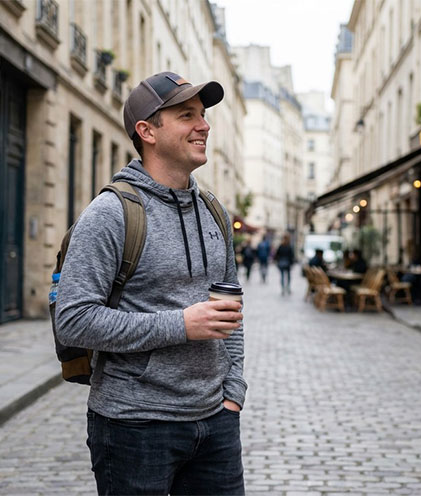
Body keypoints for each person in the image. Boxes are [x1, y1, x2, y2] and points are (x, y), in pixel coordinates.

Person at [55, 72, 247, 495]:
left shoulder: (213, 211)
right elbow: (72, 320)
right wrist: (181, 324)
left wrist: (233, 392)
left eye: (202, 114)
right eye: (186, 115)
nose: (204, 125)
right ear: (147, 132)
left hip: (215, 424)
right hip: (135, 426)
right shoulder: (110, 214)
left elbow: (230, 309)